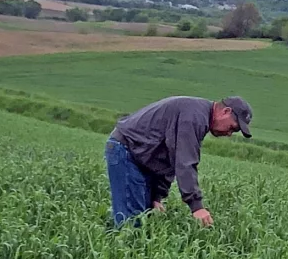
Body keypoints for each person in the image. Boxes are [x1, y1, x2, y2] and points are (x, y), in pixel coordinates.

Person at [104, 95, 253, 228]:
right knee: (131, 224)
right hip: (126, 151)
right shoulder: (194, 117)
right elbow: (185, 162)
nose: (229, 134)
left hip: (139, 155)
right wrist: (197, 207)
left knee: (142, 219)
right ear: (225, 112)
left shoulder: (198, 115)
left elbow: (169, 158)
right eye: (232, 128)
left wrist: (156, 195)